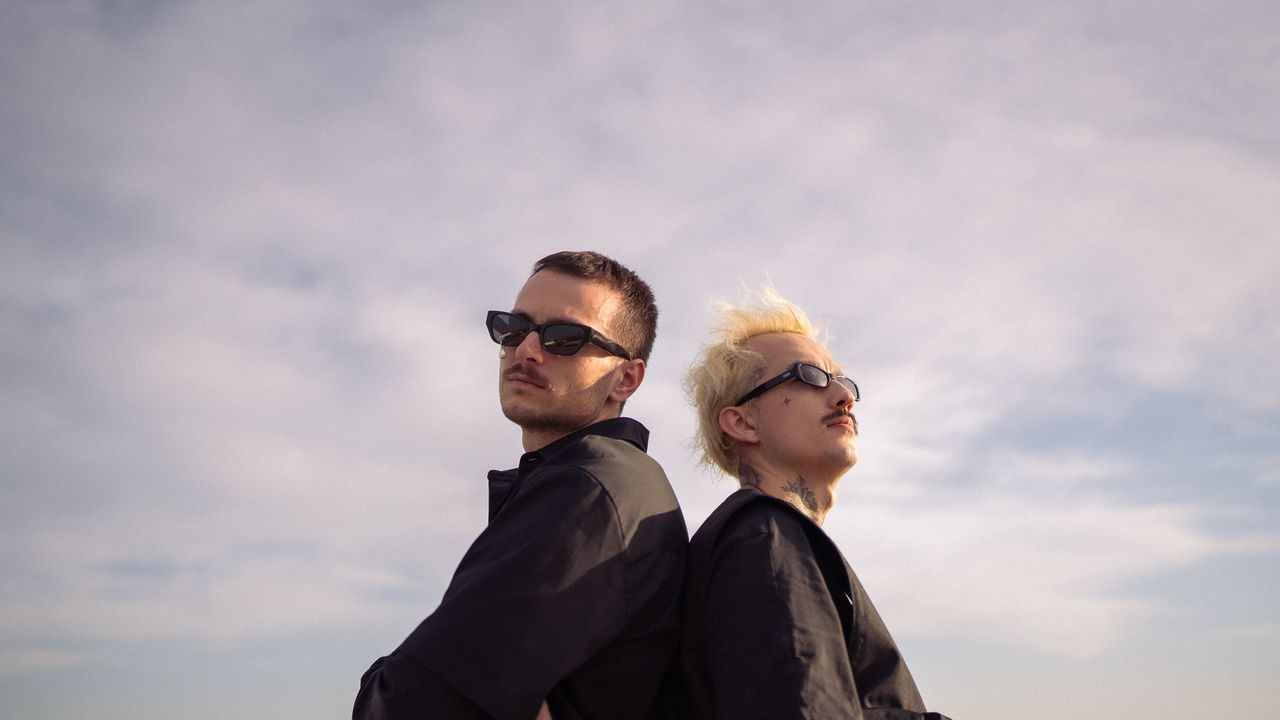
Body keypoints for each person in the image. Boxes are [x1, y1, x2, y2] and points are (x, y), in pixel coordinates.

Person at [355, 251, 688, 720]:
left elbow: (413, 701)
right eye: (514, 328)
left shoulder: (589, 487)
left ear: (626, 378)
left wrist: (381, 678)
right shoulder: (605, 482)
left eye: (564, 338)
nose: (527, 350)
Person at [679, 289, 950, 720]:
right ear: (743, 422)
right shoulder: (764, 536)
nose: (844, 396)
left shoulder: (767, 537)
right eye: (808, 376)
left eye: (842, 380)